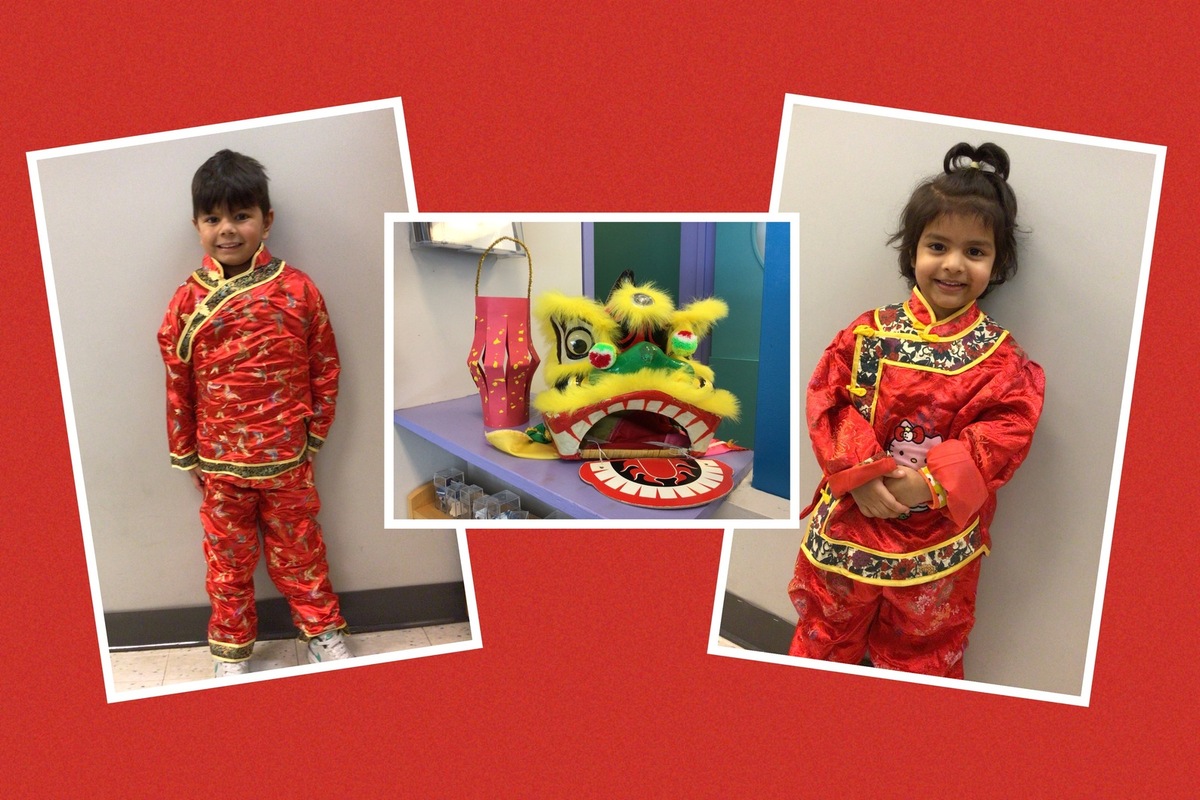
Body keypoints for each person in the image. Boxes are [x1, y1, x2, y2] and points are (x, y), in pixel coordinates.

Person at [788, 142, 1045, 679]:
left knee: (922, 661)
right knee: (823, 639)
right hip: (852, 524)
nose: (953, 265)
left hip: (939, 544)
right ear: (912, 251)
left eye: (975, 252)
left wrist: (930, 482)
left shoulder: (1002, 359)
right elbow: (827, 401)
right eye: (937, 245)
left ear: (997, 264)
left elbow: (1006, 430)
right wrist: (859, 475)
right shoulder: (867, 333)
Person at [157, 149, 351, 677]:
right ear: (196, 225)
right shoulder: (185, 303)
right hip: (220, 465)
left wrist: (314, 436)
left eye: (241, 215)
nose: (227, 229)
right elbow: (178, 382)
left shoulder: (299, 290)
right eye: (213, 217)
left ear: (267, 220)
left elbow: (325, 366)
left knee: (302, 555)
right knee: (228, 566)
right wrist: (185, 451)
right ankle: (232, 652)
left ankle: (323, 633)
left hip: (287, 457)